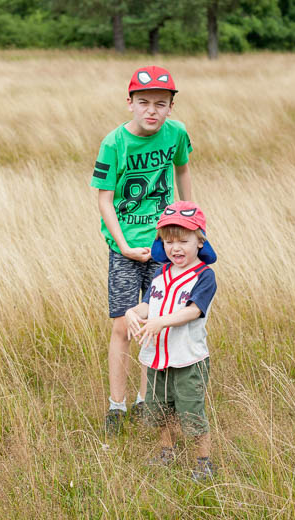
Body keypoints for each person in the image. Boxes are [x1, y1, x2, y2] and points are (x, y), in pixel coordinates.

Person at [90, 66, 215, 435]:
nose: (152, 111)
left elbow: (183, 172)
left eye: (161, 104)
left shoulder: (176, 134)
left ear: (171, 106)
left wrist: (192, 222)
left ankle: (149, 401)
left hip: (167, 246)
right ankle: (117, 405)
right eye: (143, 102)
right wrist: (125, 246)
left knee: (157, 322)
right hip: (126, 247)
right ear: (129, 103)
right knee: (123, 326)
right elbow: (105, 200)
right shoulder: (114, 143)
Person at [126, 201, 218, 481]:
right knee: (160, 409)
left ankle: (203, 461)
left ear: (200, 241)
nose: (175, 248)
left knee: (191, 411)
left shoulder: (204, 276)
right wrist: (134, 311)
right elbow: (148, 305)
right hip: (157, 357)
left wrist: (159, 322)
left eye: (184, 240)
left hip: (187, 357)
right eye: (168, 241)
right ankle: (166, 451)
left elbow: (193, 310)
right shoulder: (160, 273)